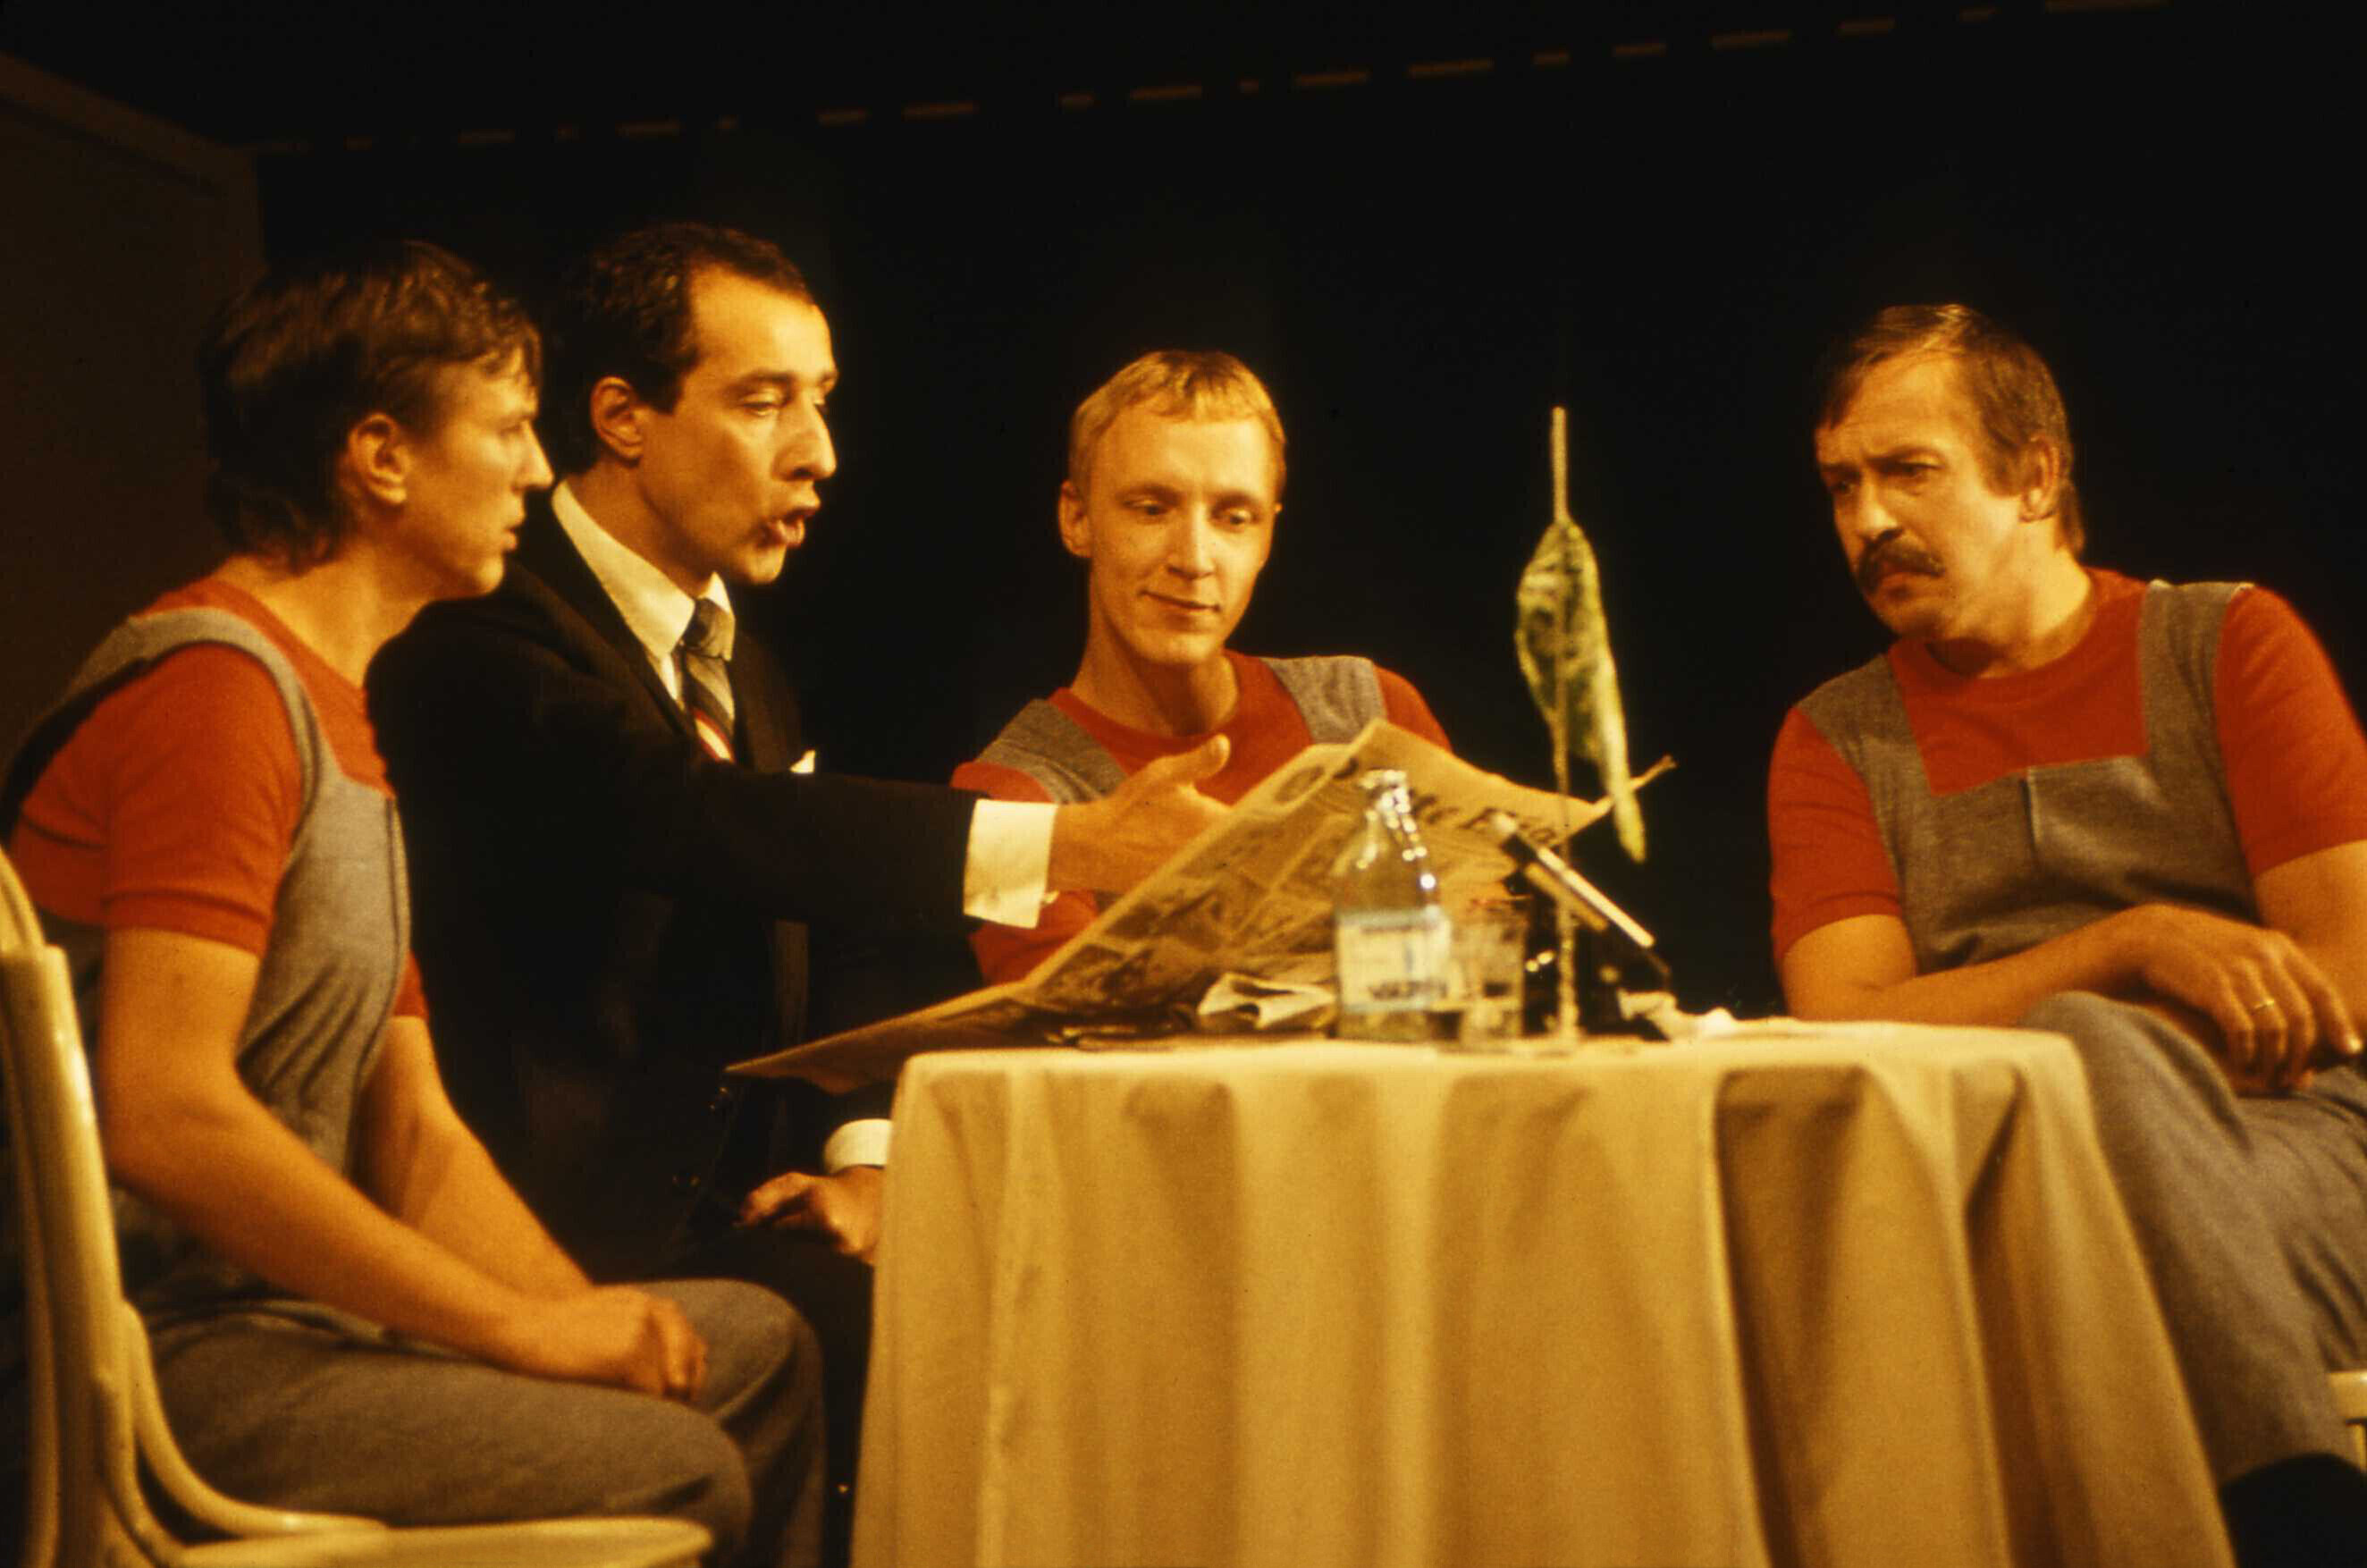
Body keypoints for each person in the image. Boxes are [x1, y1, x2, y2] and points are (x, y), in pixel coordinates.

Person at [364, 224, 1227, 1545]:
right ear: (623, 418)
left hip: (741, 1211)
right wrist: (1071, 842)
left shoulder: (743, 663)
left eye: (820, 400)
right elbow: (692, 820)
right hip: (547, 1243)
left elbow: (837, 926)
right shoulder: (482, 627)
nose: (818, 450)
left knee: (1062, 1293)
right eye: (764, 401)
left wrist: (865, 1159)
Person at [0, 241, 820, 1567]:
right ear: (381, 455)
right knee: (678, 1465)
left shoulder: (340, 712)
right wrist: (517, 1329)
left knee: (756, 1348)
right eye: (506, 428)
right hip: (167, 1352)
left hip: (281, 1327)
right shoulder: (215, 696)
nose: (538, 470)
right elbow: (165, 1108)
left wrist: (586, 1318)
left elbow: (415, 1130)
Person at [1768, 302, 2367, 1566]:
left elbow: (2346, 980)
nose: (1866, 521)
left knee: (2089, 1069)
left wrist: (2111, 1060)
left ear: (2035, 475)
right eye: (1840, 486)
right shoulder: (1834, 736)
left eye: (1907, 471)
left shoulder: (2225, 643)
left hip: (2286, 1140)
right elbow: (1841, 1019)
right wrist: (2119, 948)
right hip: (1985, 1170)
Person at [953, 349, 1450, 985]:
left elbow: (1484, 959)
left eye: (1232, 518)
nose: (1193, 558)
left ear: (1268, 537)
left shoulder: (1369, 712)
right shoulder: (1013, 797)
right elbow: (1079, 1033)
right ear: (1077, 519)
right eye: (1151, 509)